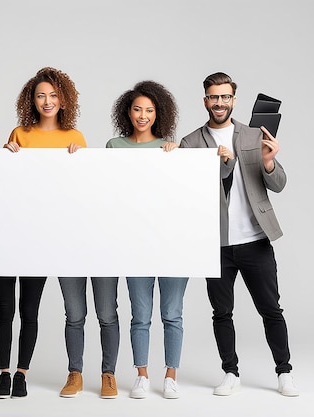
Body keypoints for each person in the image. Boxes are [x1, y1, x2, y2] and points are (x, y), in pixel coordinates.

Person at [179, 72, 298, 397]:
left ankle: (284, 371)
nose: (219, 103)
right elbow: (187, 193)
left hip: (255, 240)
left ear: (234, 100)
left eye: (225, 97)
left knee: (271, 309)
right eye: (213, 97)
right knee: (222, 312)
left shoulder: (253, 135)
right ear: (205, 101)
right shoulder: (191, 142)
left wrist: (269, 162)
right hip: (215, 244)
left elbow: (279, 184)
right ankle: (230, 371)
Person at [0, 67, 87, 399]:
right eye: (40, 95)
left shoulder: (74, 138)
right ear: (31, 101)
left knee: (29, 309)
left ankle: (22, 374)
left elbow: (80, 193)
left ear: (64, 99)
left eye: (53, 95)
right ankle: (3, 373)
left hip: (42, 237)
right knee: (4, 308)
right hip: (9, 233)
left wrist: (80, 163)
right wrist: (6, 157)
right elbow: (4, 187)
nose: (47, 101)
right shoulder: (20, 133)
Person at [106, 80, 189, 399]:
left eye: (149, 110)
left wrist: (176, 155)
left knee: (172, 313)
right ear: (127, 112)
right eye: (138, 109)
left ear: (159, 114)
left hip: (172, 244)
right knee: (140, 315)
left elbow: (182, 195)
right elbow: (109, 192)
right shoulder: (115, 145)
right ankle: (141, 374)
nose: (143, 115)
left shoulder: (170, 148)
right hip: (134, 243)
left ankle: (171, 375)